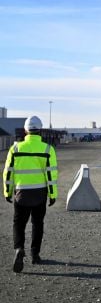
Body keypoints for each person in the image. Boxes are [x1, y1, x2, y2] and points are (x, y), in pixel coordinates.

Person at [3, 116, 57, 273]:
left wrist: (7, 191)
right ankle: (35, 255)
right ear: (40, 130)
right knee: (37, 224)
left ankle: (19, 248)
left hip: (21, 193)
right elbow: (51, 175)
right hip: (40, 193)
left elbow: (8, 173)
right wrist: (52, 195)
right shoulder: (48, 149)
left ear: (25, 130)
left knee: (18, 224)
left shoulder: (15, 149)